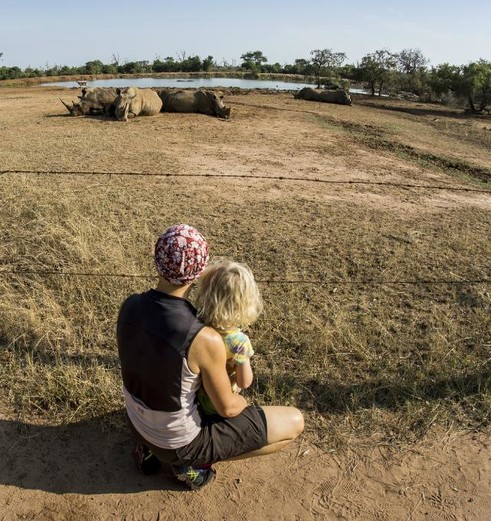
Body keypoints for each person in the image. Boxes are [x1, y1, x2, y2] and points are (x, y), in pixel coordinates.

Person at [117, 224, 304, 490]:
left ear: (157, 261)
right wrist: (243, 402)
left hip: (136, 423)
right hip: (178, 443)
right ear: (198, 272)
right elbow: (226, 407)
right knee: (294, 422)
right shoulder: (203, 337)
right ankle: (191, 465)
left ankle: (147, 449)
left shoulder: (130, 305)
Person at [193, 260, 263, 416]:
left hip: (195, 400)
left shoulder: (197, 327)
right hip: (220, 404)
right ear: (245, 303)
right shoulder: (239, 342)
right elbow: (244, 382)